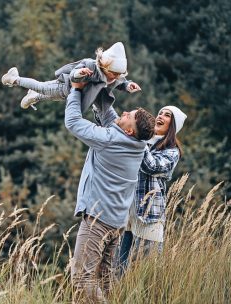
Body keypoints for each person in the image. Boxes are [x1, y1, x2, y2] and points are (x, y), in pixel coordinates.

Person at [64, 81, 155, 302]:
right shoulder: (137, 145)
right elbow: (107, 112)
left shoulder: (110, 140)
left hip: (98, 220)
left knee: (82, 280)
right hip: (116, 223)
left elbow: (73, 122)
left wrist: (76, 89)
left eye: (128, 115)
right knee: (105, 280)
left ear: (129, 130)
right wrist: (104, 83)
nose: (123, 112)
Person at [117, 105, 187, 275]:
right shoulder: (141, 141)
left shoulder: (172, 151)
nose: (161, 116)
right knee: (118, 272)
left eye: (167, 115)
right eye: (160, 112)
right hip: (128, 217)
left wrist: (141, 138)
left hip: (149, 219)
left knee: (146, 274)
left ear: (173, 125)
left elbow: (152, 166)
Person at [1, 42, 141, 112]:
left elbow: (120, 81)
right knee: (41, 87)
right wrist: (79, 74)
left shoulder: (114, 77)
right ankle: (15, 79)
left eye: (119, 75)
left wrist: (128, 85)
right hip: (65, 86)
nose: (116, 78)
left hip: (72, 95)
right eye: (114, 74)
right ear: (105, 67)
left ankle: (34, 96)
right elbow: (74, 74)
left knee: (51, 96)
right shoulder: (91, 66)